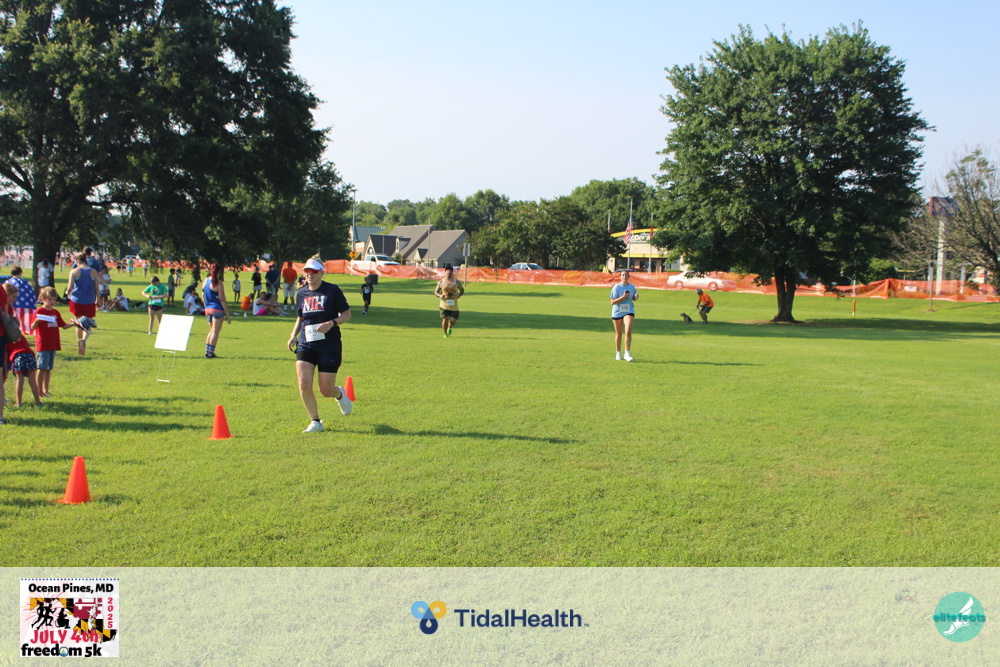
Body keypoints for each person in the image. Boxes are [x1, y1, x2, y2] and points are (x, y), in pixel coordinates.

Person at [287, 257, 352, 433]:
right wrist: (293, 335)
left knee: (325, 390)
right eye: (307, 271)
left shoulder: (332, 291)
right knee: (304, 383)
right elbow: (301, 317)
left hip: (329, 345)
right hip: (306, 343)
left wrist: (331, 323)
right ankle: (315, 421)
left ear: (321, 272)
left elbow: (347, 314)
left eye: (314, 271)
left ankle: (339, 393)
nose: (310, 274)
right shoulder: (302, 293)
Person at [31, 286, 78, 398]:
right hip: (43, 344)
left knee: (48, 368)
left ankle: (46, 390)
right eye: (49, 299)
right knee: (41, 368)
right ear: (42, 299)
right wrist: (37, 320)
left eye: (53, 299)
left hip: (53, 343)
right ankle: (38, 392)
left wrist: (75, 323)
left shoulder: (55, 312)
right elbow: (32, 327)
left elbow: (64, 326)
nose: (52, 302)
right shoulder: (39, 311)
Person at [66, 251, 99, 355]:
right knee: (88, 323)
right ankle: (84, 339)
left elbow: (70, 287)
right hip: (89, 300)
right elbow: (97, 288)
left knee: (78, 323)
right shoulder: (93, 271)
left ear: (77, 261)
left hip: (77, 300)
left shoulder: (74, 271)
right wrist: (98, 299)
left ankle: (79, 343)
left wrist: (67, 293)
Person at [6, 319, 41, 407]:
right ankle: (38, 402)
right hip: (30, 356)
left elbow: (6, 354)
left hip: (18, 357)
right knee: (32, 380)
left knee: (20, 380)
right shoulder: (21, 336)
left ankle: (19, 403)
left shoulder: (7, 339)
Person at [202, 262, 232, 358]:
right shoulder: (219, 283)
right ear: (220, 271)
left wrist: (206, 306)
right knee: (215, 332)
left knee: (211, 331)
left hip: (208, 309)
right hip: (217, 309)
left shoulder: (206, 280)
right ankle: (210, 354)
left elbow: (203, 294)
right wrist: (228, 315)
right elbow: (222, 300)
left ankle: (207, 352)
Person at [610, 269, 638, 361]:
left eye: (626, 275)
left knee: (628, 330)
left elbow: (633, 298)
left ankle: (627, 353)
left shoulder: (632, 287)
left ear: (629, 277)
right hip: (617, 312)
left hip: (628, 311)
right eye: (623, 275)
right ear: (620, 277)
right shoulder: (616, 287)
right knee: (618, 334)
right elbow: (612, 302)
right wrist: (623, 297)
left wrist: (635, 297)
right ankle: (618, 353)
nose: (624, 277)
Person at [434, 266, 464, 337]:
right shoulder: (441, 282)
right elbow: (435, 292)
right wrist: (440, 295)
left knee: (453, 321)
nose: (448, 273)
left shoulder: (456, 282)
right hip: (444, 305)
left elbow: (462, 290)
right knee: (445, 319)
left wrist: (459, 295)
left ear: (452, 273)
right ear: (445, 272)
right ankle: (445, 334)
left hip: (454, 305)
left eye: (450, 271)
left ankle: (450, 325)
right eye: (447, 271)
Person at [7, 266, 35, 336]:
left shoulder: (8, 282)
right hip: (26, 306)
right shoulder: (25, 283)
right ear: (21, 272)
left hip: (11, 306)